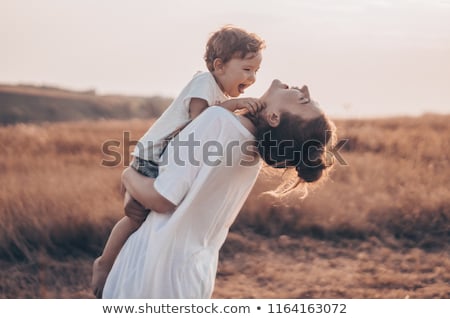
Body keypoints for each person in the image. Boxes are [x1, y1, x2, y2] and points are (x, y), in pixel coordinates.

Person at [101, 79, 337, 298]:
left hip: (154, 270)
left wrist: (128, 175)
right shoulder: (251, 151)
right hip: (194, 276)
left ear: (273, 117)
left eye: (303, 101)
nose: (304, 88)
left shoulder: (219, 121)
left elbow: (162, 198)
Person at [91, 25, 265, 298]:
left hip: (166, 158)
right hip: (152, 156)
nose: (253, 77)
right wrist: (232, 107)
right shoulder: (204, 83)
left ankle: (131, 270)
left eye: (256, 71)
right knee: (135, 218)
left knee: (150, 222)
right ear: (219, 66)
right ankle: (104, 263)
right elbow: (200, 122)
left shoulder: (218, 93)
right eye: (247, 69)